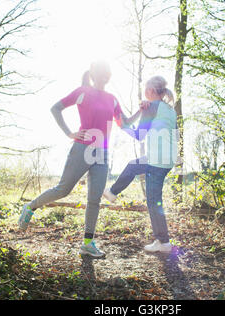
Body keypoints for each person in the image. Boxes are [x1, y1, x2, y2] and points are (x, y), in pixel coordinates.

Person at [18, 61, 142, 258]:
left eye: (106, 73)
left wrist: (141, 111)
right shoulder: (82, 91)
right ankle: (30, 207)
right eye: (100, 73)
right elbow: (55, 108)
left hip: (102, 152)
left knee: (94, 199)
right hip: (82, 148)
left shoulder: (112, 99)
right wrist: (69, 133)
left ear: (109, 76)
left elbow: (124, 123)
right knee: (63, 189)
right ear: (93, 74)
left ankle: (87, 243)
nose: (104, 76)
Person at [103, 76, 178, 253]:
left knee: (153, 201)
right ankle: (113, 192)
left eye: (146, 88)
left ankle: (163, 242)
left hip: (156, 161)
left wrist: (123, 127)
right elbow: (174, 135)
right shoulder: (170, 109)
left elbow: (139, 135)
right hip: (165, 159)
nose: (144, 91)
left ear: (151, 90)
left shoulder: (152, 106)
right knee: (133, 165)